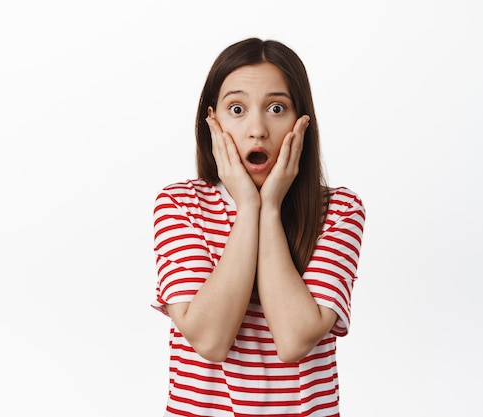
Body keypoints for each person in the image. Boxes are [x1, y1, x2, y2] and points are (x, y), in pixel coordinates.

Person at [151, 37, 365, 416]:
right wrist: (248, 205)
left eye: (277, 108)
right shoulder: (179, 204)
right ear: (213, 121)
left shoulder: (340, 211)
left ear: (303, 121)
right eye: (237, 109)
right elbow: (211, 340)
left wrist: (269, 210)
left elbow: (295, 339)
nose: (257, 129)